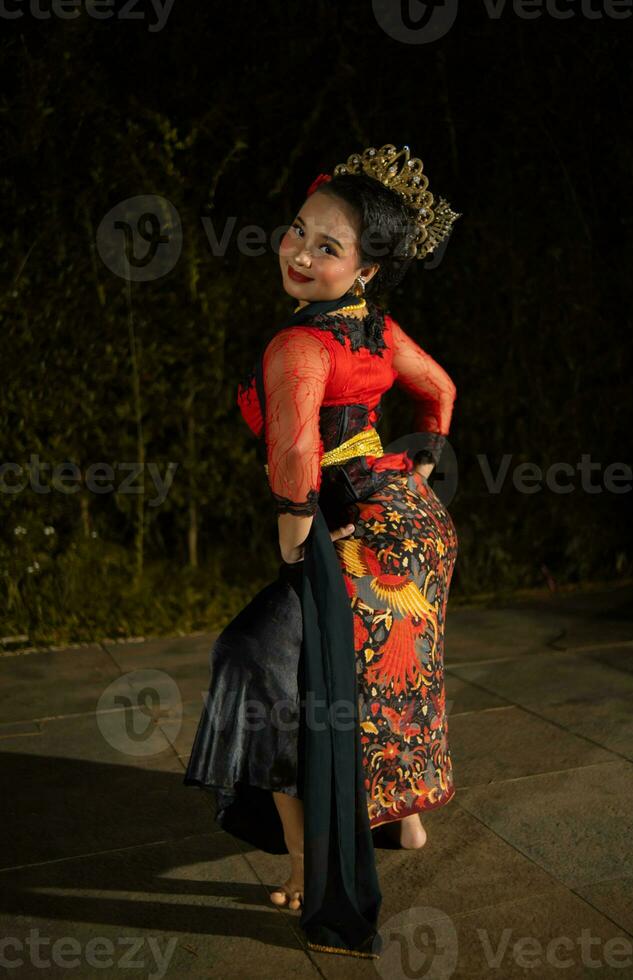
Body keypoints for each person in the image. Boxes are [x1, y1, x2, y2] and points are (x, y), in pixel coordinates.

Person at [183, 143, 461, 958]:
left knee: (261, 662)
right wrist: (426, 454)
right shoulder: (375, 330)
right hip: (421, 528)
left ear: (366, 268)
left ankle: (311, 867)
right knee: (389, 668)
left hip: (353, 534)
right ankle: (403, 819)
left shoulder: (299, 348)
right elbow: (438, 389)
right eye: (299, 231)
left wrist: (298, 560)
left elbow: (297, 466)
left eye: (327, 247)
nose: (299, 254)